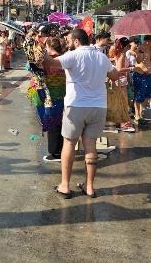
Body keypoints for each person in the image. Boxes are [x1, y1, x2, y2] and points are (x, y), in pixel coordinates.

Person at [43, 28, 125, 199]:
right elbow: (115, 76)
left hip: (76, 106)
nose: (67, 42)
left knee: (69, 144)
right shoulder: (101, 57)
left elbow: (50, 63)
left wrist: (37, 49)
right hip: (98, 107)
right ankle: (89, 187)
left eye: (69, 40)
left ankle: (65, 186)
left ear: (77, 41)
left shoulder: (73, 55)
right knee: (91, 146)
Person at [23, 24, 67, 162]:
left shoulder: (45, 60)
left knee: (52, 123)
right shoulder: (66, 58)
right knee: (61, 123)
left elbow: (30, 64)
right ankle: (61, 150)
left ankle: (55, 153)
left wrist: (34, 37)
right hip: (65, 94)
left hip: (49, 96)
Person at [130, 40, 150, 124]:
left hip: (149, 74)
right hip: (139, 74)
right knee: (138, 95)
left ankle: (141, 113)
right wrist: (141, 53)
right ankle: (137, 115)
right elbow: (137, 61)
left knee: (147, 96)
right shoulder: (140, 48)